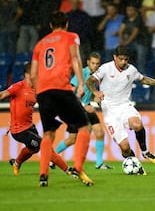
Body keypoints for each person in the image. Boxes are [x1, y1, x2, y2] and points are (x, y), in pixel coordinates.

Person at [0, 63, 72, 177]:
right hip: (19, 130)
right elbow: (2, 94)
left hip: (30, 126)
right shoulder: (18, 87)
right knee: (44, 145)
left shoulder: (36, 89)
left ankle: (17, 163)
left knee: (33, 148)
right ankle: (68, 169)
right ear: (27, 75)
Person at [86, 46, 155, 174]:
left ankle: (145, 151)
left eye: (126, 60)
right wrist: (95, 91)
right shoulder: (105, 68)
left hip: (124, 106)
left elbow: (142, 78)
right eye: (120, 59)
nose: (123, 62)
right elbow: (90, 81)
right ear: (114, 57)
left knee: (137, 124)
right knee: (125, 148)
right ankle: (136, 166)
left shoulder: (131, 70)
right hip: (109, 112)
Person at [30, 11, 94, 187]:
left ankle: (43, 176)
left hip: (43, 92)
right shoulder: (71, 37)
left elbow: (34, 73)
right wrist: (81, 83)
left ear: (51, 25)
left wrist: (38, 93)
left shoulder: (40, 44)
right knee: (84, 126)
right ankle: (79, 167)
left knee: (48, 134)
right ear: (66, 24)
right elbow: (75, 58)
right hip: (61, 88)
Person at [51, 52, 113, 170]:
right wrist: (84, 105)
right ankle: (52, 156)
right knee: (72, 139)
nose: (95, 66)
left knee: (100, 133)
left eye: (97, 64)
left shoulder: (97, 76)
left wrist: (99, 100)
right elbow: (70, 94)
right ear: (88, 62)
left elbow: (91, 95)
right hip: (75, 109)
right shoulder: (82, 74)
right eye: (93, 63)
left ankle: (99, 164)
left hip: (87, 107)